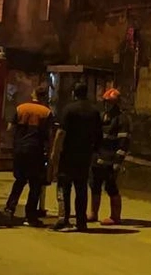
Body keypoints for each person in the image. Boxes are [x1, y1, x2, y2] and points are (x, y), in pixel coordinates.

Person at [51, 82, 101, 231]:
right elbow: (99, 135)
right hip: (85, 155)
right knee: (81, 189)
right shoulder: (94, 111)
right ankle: (81, 221)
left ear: (74, 93)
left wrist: (55, 152)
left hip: (68, 155)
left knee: (64, 187)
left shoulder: (69, 110)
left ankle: (63, 219)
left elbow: (61, 133)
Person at [4, 85, 52, 227]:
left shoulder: (20, 108)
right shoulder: (46, 112)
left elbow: (10, 129)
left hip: (20, 150)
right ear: (44, 97)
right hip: (36, 152)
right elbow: (49, 136)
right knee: (35, 185)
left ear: (33, 94)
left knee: (19, 181)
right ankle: (30, 216)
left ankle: (9, 209)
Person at [90, 88, 130, 225]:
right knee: (94, 184)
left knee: (110, 186)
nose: (107, 105)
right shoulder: (103, 116)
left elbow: (123, 143)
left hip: (110, 159)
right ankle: (93, 213)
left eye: (110, 103)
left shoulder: (121, 119)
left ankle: (115, 216)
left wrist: (117, 162)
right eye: (106, 102)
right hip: (98, 157)